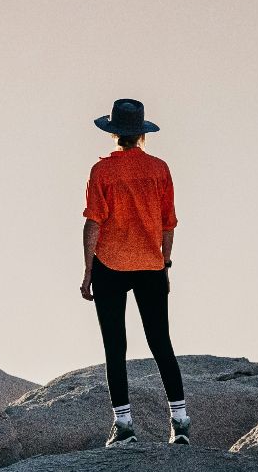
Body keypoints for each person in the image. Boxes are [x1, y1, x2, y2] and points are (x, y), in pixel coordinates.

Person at [79, 98, 188, 446]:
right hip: (150, 265)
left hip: (110, 265)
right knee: (161, 342)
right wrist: (165, 263)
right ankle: (180, 420)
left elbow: (93, 223)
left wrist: (87, 270)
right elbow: (168, 224)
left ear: (114, 134)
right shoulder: (160, 169)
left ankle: (124, 427)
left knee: (115, 346)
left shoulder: (103, 172)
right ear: (142, 134)